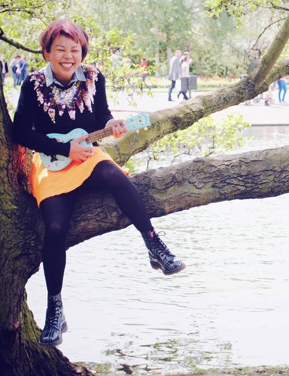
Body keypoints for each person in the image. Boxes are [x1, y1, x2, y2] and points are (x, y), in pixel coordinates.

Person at [11, 19, 186, 348]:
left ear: (82, 52)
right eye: (60, 49)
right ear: (47, 52)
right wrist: (64, 148)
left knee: (114, 175)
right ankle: (55, 309)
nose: (68, 56)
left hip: (88, 157)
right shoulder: (32, 84)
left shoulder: (93, 78)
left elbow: (100, 115)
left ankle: (154, 245)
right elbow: (21, 132)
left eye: (74, 50)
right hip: (50, 163)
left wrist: (112, 124)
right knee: (56, 227)